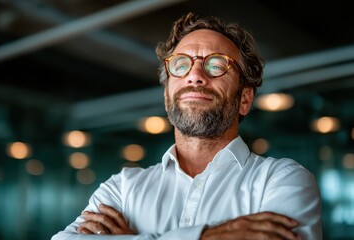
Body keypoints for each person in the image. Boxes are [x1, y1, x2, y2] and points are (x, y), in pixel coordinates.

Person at [52, 12, 322, 240]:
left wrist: (132, 238)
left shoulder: (282, 181)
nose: (195, 75)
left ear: (245, 99)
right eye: (181, 65)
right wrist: (206, 236)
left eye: (216, 65)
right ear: (167, 95)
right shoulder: (123, 187)